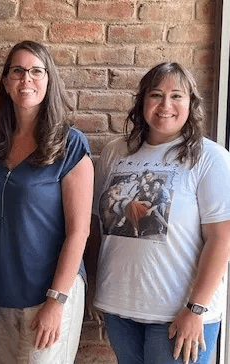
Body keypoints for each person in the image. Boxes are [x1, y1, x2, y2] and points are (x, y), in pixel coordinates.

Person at [91, 62, 230, 364]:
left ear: (191, 103)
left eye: (176, 96)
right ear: (142, 101)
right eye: (156, 94)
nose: (165, 105)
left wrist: (196, 309)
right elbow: (96, 225)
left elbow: (222, 239)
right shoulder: (116, 152)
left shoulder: (210, 158)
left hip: (179, 316)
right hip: (120, 310)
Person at [0, 40, 93, 363]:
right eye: (17, 71)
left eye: (36, 71)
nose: (26, 79)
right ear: (5, 81)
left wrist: (56, 302)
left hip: (48, 296)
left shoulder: (70, 144)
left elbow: (79, 232)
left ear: (49, 79)